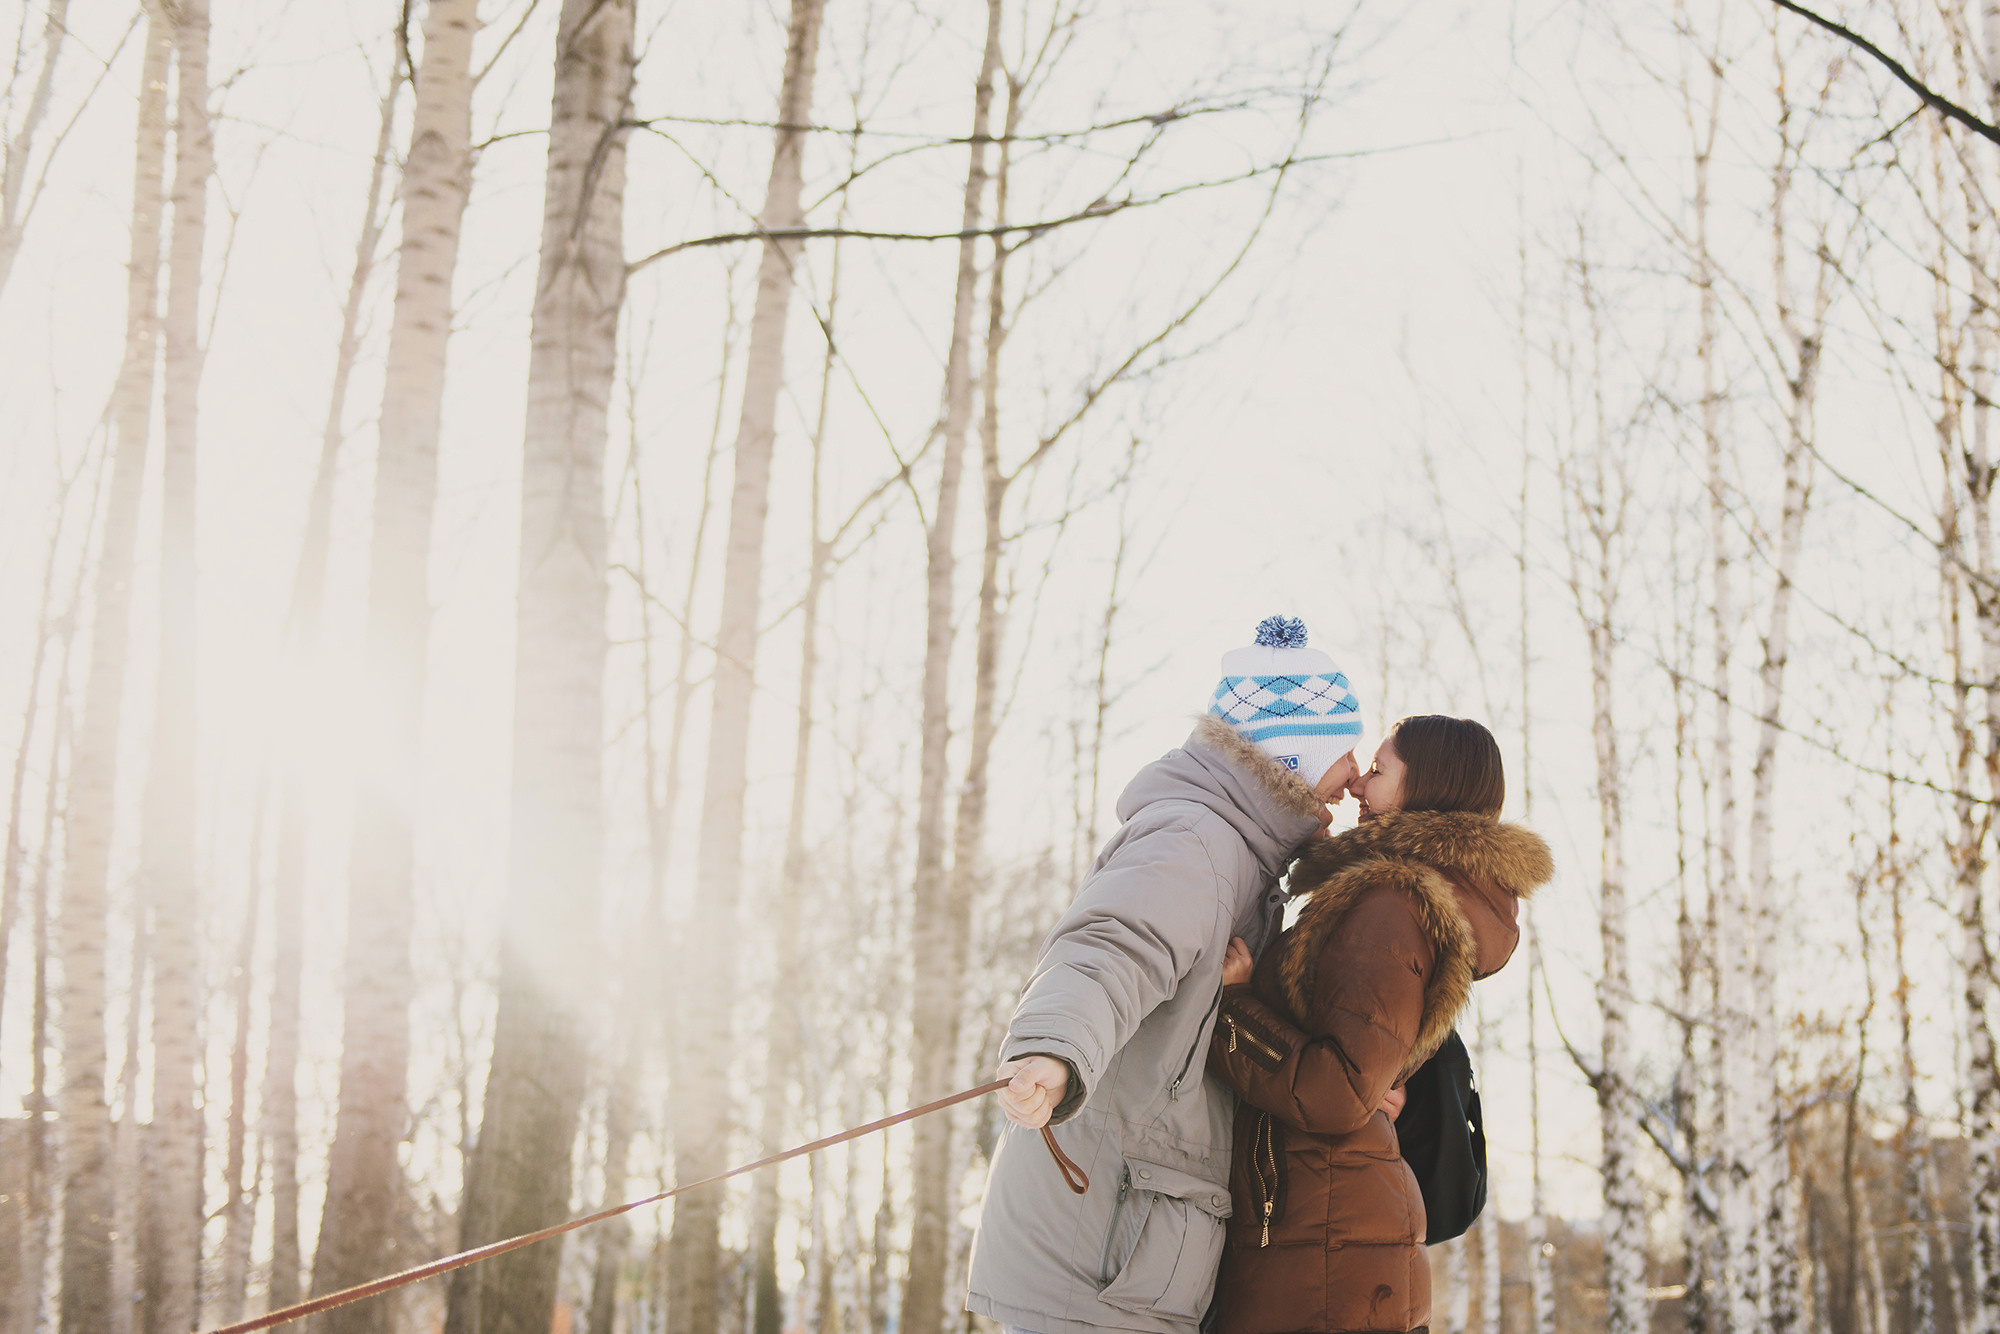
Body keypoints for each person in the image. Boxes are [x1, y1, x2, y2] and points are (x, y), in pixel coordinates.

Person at [964, 616, 1365, 1334]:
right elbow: (1112, 944)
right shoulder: (1196, 841)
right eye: (1345, 753)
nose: (1355, 777)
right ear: (1296, 760)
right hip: (1101, 1251)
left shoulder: (1242, 861)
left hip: (1131, 1244)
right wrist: (1055, 1049)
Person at [1205, 715, 1553, 1334]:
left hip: (1326, 1245)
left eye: (1379, 770)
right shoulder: (1399, 898)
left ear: (1426, 789)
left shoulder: (1389, 904)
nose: (1360, 785)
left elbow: (1338, 1092)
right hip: (1327, 1232)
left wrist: (1233, 1010)